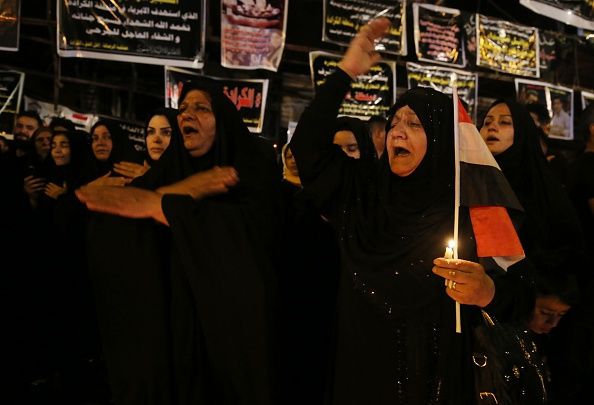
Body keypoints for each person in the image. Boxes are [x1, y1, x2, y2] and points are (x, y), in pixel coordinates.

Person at [290, 18, 534, 405]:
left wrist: (487, 291)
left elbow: (521, 297)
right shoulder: (361, 192)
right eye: (394, 122)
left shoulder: (471, 207)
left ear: (440, 142)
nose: (398, 132)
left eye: (415, 124)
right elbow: (307, 146)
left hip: (437, 378)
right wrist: (345, 72)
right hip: (358, 372)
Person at [76, 80, 283, 405]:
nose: (188, 115)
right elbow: (96, 203)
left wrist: (157, 206)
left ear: (224, 121)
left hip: (228, 338)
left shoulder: (249, 171)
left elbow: (249, 241)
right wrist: (189, 189)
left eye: (202, 108)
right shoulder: (171, 170)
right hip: (171, 330)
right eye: (184, 109)